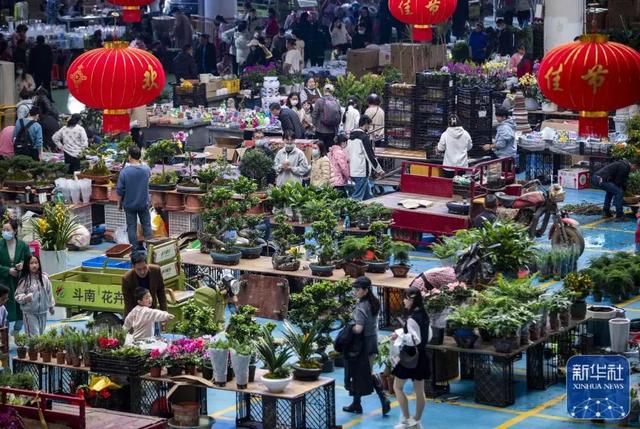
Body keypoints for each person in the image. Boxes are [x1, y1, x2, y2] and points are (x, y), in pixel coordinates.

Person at [343, 277, 391, 416]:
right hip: (372, 342)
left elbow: (358, 329)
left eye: (358, 289)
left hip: (361, 346)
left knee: (360, 373)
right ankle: (357, 404)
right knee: (362, 373)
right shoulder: (374, 302)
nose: (355, 292)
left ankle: (383, 399)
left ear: (365, 290)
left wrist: (347, 329)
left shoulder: (362, 306)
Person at [390, 287, 430, 429]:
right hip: (422, 355)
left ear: (412, 299)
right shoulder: (424, 315)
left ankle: (407, 419)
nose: (403, 301)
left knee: (397, 386)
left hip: (410, 356)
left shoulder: (412, 318)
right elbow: (426, 336)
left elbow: (415, 339)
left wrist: (399, 336)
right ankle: (416, 421)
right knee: (419, 390)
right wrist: (403, 332)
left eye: (406, 298)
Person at [116, 146, 152, 249]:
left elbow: (119, 190)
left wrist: (119, 203)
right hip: (143, 203)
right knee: (146, 225)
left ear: (130, 156)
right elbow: (149, 176)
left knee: (131, 227)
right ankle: (150, 249)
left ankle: (134, 250)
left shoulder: (125, 172)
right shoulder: (146, 169)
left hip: (129, 204)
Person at [0, 218, 30, 338]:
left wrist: (23, 265)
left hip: (19, 282)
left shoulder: (23, 245)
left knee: (20, 308)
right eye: (3, 230)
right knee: (4, 307)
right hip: (4, 282)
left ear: (15, 231)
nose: (5, 232)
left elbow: (30, 261)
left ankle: (17, 330)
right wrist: (7, 270)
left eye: (8, 230)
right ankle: (4, 334)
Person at [15, 255, 55, 337]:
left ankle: (37, 350)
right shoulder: (25, 280)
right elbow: (17, 295)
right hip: (29, 313)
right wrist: (25, 298)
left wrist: (51, 306)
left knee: (40, 334)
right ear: (27, 265)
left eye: (36, 263)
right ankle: (32, 349)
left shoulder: (45, 278)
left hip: (43, 312)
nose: (34, 265)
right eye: (31, 263)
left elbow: (49, 293)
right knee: (34, 336)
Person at [347, 115, 383, 201]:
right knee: (357, 197)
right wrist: (379, 170)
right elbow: (370, 155)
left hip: (353, 169)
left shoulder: (350, 137)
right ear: (365, 124)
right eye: (369, 125)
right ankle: (349, 212)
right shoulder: (364, 137)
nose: (369, 127)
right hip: (362, 171)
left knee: (368, 197)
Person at [122, 252, 168, 318]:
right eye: (139, 269)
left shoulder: (156, 270)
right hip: (135, 313)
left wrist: (164, 313)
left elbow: (161, 292)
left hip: (152, 310)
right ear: (133, 267)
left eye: (144, 268)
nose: (142, 272)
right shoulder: (127, 279)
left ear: (147, 264)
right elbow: (129, 303)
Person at [313, 83, 342, 149]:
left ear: (323, 91)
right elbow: (339, 115)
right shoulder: (336, 101)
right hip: (332, 131)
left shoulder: (319, 101)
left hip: (320, 130)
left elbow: (315, 114)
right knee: (330, 150)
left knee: (320, 149)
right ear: (332, 91)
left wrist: (314, 125)